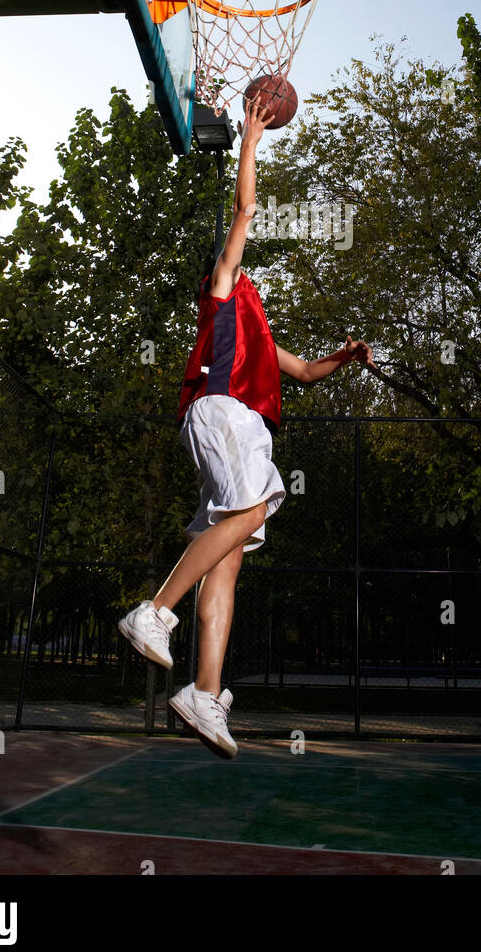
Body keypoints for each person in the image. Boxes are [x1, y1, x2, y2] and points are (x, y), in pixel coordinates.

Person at [119, 94, 373, 757]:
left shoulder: (257, 326)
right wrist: (251, 141)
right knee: (254, 505)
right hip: (222, 413)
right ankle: (155, 612)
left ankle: (203, 694)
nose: (241, 263)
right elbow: (247, 211)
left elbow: (306, 373)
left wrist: (344, 357)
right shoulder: (223, 290)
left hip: (247, 429)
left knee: (227, 561)